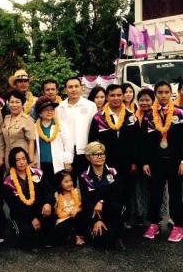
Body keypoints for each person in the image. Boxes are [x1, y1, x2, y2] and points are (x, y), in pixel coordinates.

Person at [141, 81, 183, 242]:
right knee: (155, 193)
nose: (163, 95)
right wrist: (145, 162)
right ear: (155, 94)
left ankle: (179, 225)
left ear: (171, 93)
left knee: (175, 194)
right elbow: (144, 141)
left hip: (175, 162)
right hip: (155, 161)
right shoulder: (149, 115)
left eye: (166, 92)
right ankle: (154, 223)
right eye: (160, 92)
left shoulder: (179, 113)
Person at [88, 84, 138, 219]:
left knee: (126, 191)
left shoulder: (131, 117)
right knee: (108, 192)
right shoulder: (98, 118)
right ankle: (108, 221)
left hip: (127, 164)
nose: (116, 98)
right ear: (107, 97)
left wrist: (134, 162)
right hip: (106, 163)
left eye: (119, 95)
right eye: (112, 95)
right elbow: (92, 142)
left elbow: (137, 142)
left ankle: (126, 220)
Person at [2, 147, 54, 251]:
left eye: (24, 159)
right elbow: (14, 205)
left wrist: (48, 203)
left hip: (39, 210)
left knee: (52, 223)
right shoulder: (8, 181)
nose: (21, 162)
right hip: (22, 215)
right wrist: (32, 218)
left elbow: (48, 190)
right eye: (18, 160)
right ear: (13, 161)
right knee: (27, 234)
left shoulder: (38, 173)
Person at [80, 142, 125, 249]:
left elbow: (118, 193)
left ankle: (118, 236)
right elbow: (86, 200)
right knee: (102, 243)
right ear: (89, 157)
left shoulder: (112, 171)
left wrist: (102, 201)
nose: (100, 156)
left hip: (111, 210)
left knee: (116, 206)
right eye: (96, 154)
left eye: (102, 153)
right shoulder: (85, 176)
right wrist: (97, 220)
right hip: (94, 213)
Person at [57, 77, 97, 183]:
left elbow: (94, 129)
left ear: (81, 88)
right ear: (65, 90)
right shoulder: (60, 108)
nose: (73, 89)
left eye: (76, 86)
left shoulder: (90, 106)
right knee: (69, 183)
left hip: (85, 151)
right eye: (70, 87)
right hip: (66, 152)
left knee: (87, 183)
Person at [34, 96, 73, 190]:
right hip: (42, 164)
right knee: (45, 189)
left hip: (57, 164)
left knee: (58, 189)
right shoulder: (35, 127)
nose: (49, 112)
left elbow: (68, 144)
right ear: (40, 113)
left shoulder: (60, 126)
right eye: (46, 110)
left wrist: (67, 161)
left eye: (52, 109)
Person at [131, 88, 155, 227]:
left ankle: (153, 217)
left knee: (152, 189)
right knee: (138, 188)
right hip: (138, 158)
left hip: (152, 158)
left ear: (153, 101)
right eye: (141, 100)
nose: (144, 103)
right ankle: (140, 214)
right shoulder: (134, 116)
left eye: (147, 100)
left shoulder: (156, 116)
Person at [2, 90, 36, 170]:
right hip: (9, 158)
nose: (14, 105)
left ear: (22, 103)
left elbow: (31, 141)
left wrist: (30, 161)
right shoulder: (6, 118)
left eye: (17, 102)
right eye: (12, 102)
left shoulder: (27, 119)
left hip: (22, 159)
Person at [53, 171, 85, 246]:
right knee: (62, 228)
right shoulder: (57, 195)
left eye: (71, 181)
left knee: (80, 216)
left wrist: (77, 210)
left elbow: (83, 206)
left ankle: (77, 236)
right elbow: (56, 212)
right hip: (63, 220)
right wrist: (68, 214)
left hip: (76, 217)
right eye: (66, 182)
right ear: (60, 183)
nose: (70, 183)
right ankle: (73, 237)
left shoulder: (77, 192)